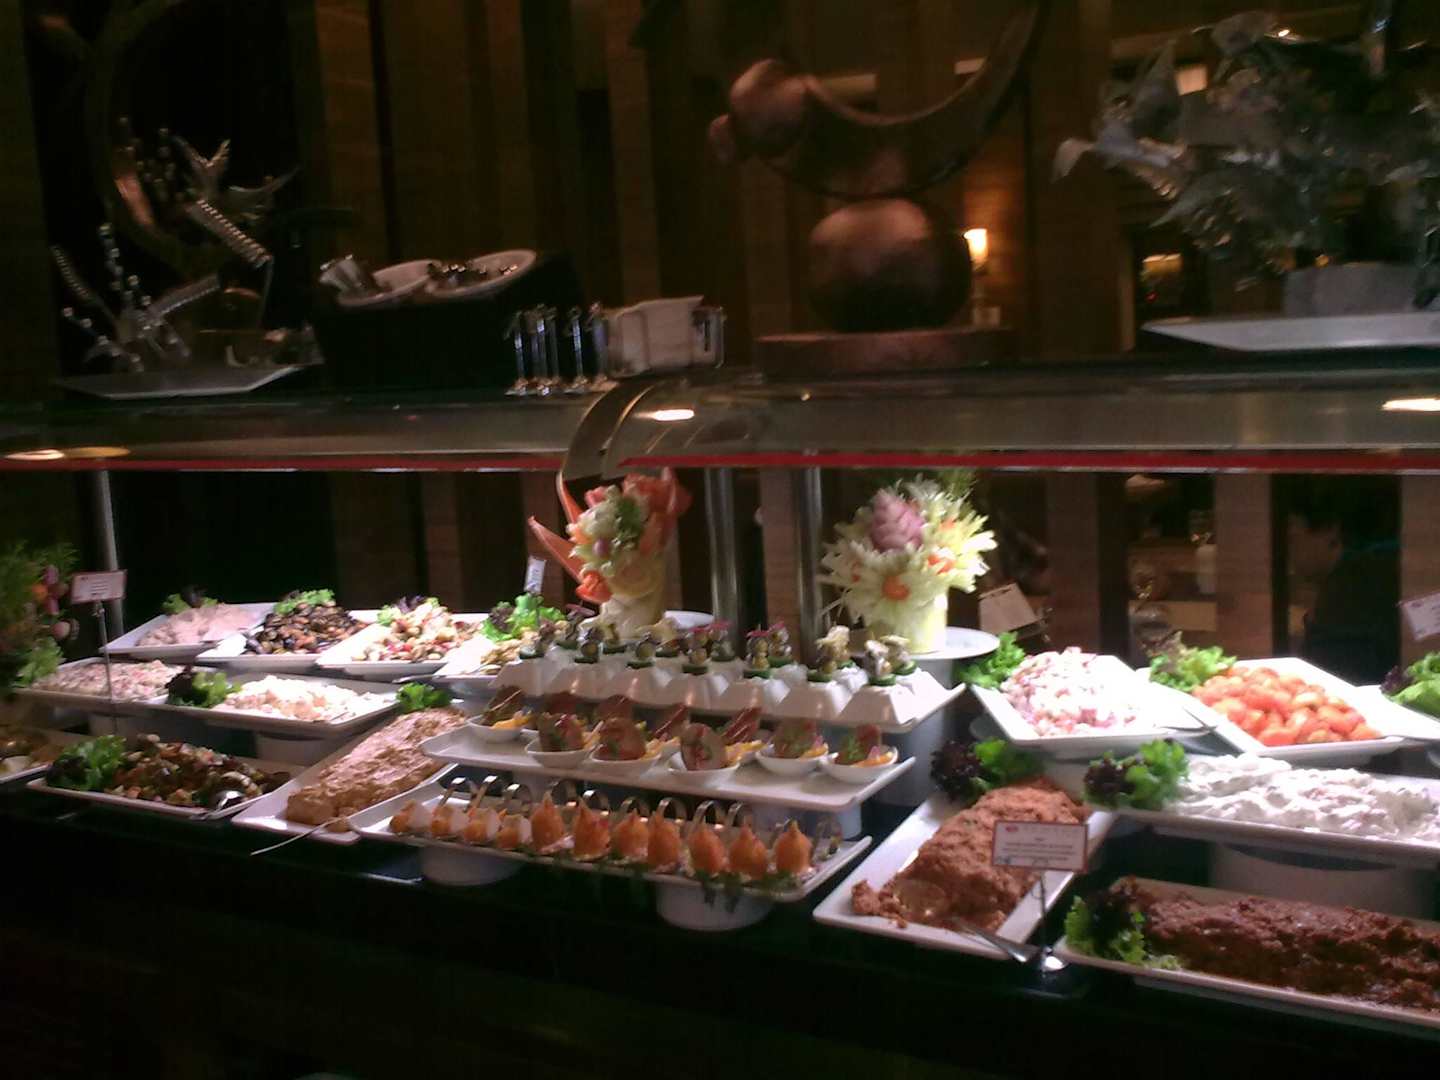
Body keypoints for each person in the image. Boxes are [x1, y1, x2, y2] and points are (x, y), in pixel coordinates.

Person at [1285, 477, 1400, 685]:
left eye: (1292, 538)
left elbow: (1326, 685)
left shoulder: (1352, 588)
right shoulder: (1380, 567)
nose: (1286, 553)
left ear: (1330, 530)